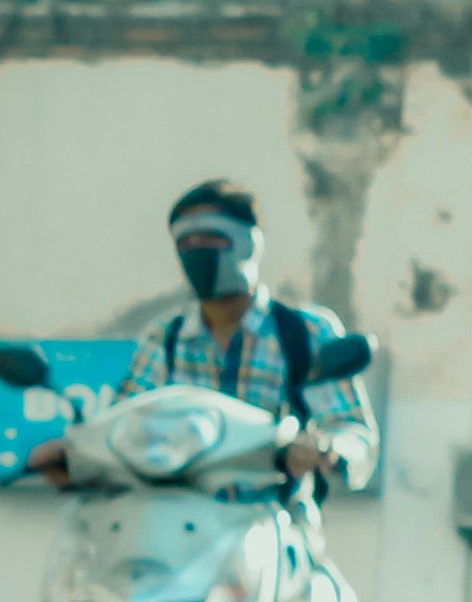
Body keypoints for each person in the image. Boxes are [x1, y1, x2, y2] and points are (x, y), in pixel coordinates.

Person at [19, 181, 376, 489]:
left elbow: (352, 428)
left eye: (211, 238)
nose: (197, 251)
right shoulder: (165, 337)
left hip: (271, 519)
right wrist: (77, 456)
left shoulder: (304, 332)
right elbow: (126, 422)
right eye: (186, 243)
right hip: (173, 520)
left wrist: (329, 449)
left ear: (247, 243)